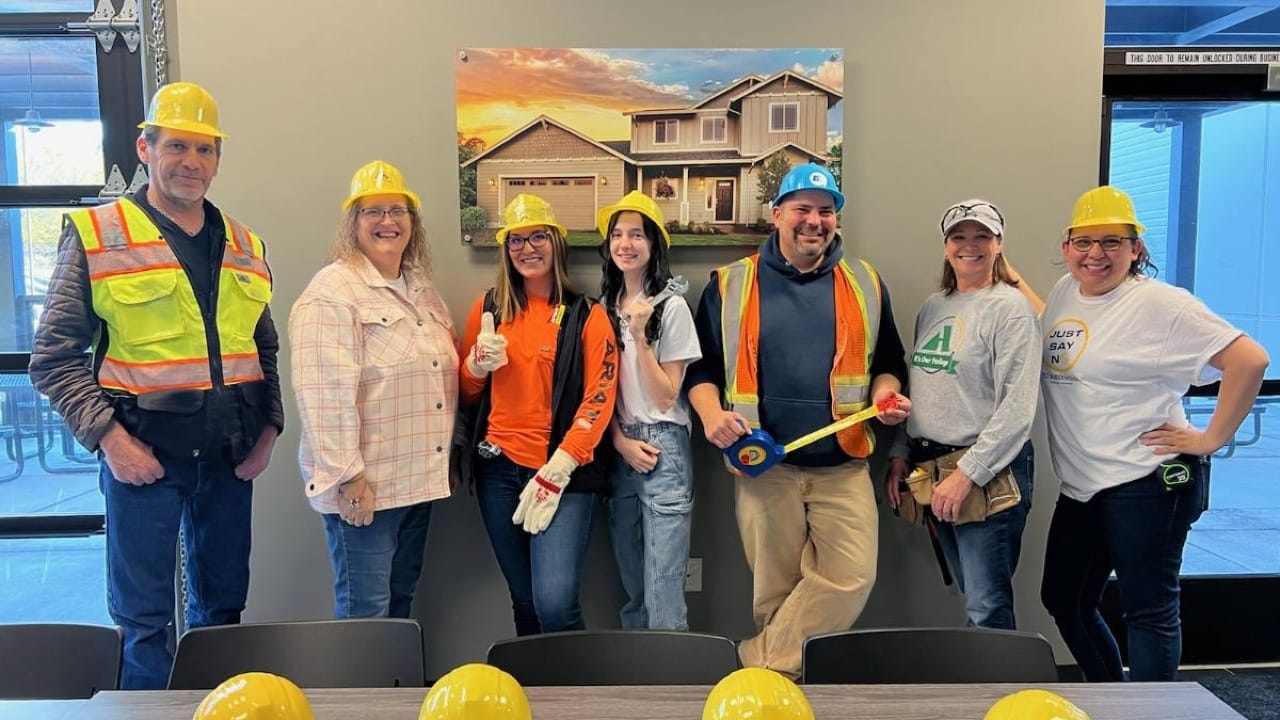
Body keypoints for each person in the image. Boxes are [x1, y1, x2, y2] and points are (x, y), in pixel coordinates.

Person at [28, 81, 282, 689]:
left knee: (222, 613)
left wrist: (269, 429)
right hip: (142, 457)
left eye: (204, 149)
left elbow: (263, 346)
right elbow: (53, 357)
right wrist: (111, 442)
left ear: (218, 158)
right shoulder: (98, 235)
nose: (191, 162)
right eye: (176, 146)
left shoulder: (246, 244)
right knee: (143, 621)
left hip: (229, 460)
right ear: (146, 149)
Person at [685, 163, 910, 677]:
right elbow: (699, 368)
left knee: (851, 576)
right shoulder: (729, 284)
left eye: (826, 211)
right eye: (803, 209)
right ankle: (783, 698)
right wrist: (711, 414)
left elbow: (888, 365)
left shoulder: (866, 284)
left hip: (844, 462)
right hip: (761, 466)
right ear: (777, 214)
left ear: (836, 220)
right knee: (776, 594)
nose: (815, 221)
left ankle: (754, 668)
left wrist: (888, 395)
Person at [1038, 186, 1268, 681]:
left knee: (1148, 612)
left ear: (1135, 249)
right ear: (1066, 247)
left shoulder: (1162, 305)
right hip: (1085, 483)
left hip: (1147, 482)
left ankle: (1150, 712)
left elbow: (1249, 360)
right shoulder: (1063, 294)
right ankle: (1114, 699)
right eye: (1084, 242)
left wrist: (1209, 439)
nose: (1095, 254)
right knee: (1064, 599)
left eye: (1112, 242)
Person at [289, 160, 457, 618]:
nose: (387, 221)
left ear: (412, 222)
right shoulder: (333, 292)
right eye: (373, 211)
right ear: (353, 222)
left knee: (399, 605)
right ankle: (366, 692)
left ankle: (396, 690)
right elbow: (323, 394)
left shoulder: (419, 287)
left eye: (398, 210)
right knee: (366, 614)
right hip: (367, 488)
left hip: (417, 482)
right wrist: (349, 477)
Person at [457, 193, 617, 635]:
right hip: (498, 472)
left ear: (557, 243)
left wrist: (561, 467)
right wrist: (474, 366)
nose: (528, 249)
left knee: (555, 603)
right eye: (517, 240)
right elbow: (466, 394)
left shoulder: (587, 315)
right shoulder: (489, 308)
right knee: (525, 603)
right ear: (506, 249)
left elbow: (599, 398)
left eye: (538, 237)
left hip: (561, 475)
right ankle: (530, 699)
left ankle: (571, 705)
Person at [885, 199, 1040, 629]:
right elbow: (922, 390)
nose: (969, 246)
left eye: (982, 236)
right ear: (945, 245)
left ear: (998, 244)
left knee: (987, 607)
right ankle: (980, 692)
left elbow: (1018, 407)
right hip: (931, 466)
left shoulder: (1010, 309)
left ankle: (999, 696)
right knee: (972, 595)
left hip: (987, 471)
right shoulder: (933, 307)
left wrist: (967, 474)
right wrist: (901, 453)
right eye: (959, 236)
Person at [597, 191, 701, 630]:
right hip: (620, 447)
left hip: (664, 450)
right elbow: (600, 392)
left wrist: (640, 336)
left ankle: (672, 682)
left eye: (636, 234)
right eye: (617, 235)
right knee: (632, 582)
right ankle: (639, 680)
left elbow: (665, 396)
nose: (626, 244)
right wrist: (620, 442)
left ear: (653, 244)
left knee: (662, 586)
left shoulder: (672, 308)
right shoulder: (602, 307)